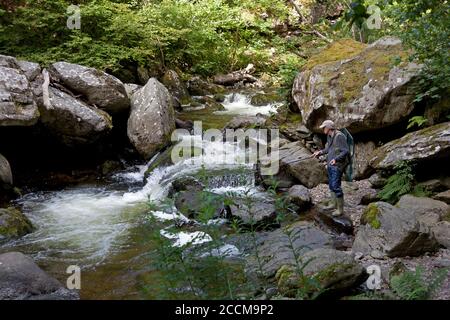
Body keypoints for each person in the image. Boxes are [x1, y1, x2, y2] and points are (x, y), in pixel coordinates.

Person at [313, 120, 350, 217]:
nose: (322, 129)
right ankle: (333, 204)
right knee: (331, 184)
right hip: (330, 164)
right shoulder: (329, 136)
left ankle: (340, 210)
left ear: (329, 127)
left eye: (324, 127)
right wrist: (319, 152)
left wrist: (336, 159)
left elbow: (345, 151)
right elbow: (329, 149)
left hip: (338, 165)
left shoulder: (339, 136)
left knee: (336, 185)